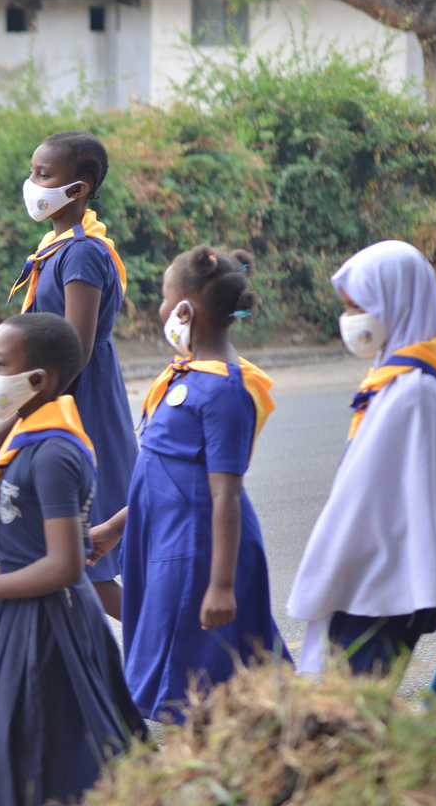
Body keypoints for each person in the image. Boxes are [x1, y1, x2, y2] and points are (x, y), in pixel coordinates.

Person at [0, 312, 144, 806]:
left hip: (50, 630)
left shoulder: (54, 453)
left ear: (39, 380)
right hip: (19, 619)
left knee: (51, 761)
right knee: (20, 753)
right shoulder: (29, 437)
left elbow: (67, 566)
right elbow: (32, 553)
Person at [89, 246, 287, 722]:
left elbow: (225, 493)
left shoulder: (226, 390)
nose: (159, 310)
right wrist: (113, 530)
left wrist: (220, 585)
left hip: (200, 554)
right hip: (168, 544)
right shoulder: (183, 376)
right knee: (183, 680)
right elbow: (157, 475)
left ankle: (213, 780)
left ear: (184, 310)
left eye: (163, 298)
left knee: (197, 685)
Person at [0, 131, 136, 622]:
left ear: (80, 187)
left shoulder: (83, 252)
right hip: (58, 397)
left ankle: (168, 636)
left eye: (44, 176)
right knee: (78, 554)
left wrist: (18, 419)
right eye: (32, 173)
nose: (32, 184)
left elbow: (76, 347)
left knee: (88, 562)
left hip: (76, 403)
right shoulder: (57, 246)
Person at [288, 241, 436, 690]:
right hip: (366, 570)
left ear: (399, 303)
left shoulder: (416, 390)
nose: (352, 319)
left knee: (355, 701)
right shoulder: (392, 377)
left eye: (361, 306)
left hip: (383, 579)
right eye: (348, 307)